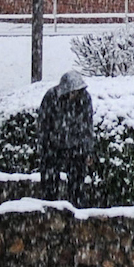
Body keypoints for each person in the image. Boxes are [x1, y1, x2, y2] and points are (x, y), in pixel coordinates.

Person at [37, 71, 94, 202]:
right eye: (72, 92)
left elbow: (87, 126)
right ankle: (50, 210)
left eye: (77, 91)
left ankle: (76, 211)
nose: (74, 95)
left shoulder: (85, 98)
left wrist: (88, 151)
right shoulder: (51, 97)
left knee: (77, 183)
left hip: (76, 146)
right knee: (49, 183)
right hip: (52, 145)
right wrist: (46, 145)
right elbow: (43, 123)